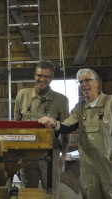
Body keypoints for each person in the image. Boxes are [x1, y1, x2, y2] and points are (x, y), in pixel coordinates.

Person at [38, 68, 112, 199]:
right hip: (88, 169)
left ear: (96, 83)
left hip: (109, 166)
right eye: (80, 82)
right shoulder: (80, 108)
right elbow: (67, 126)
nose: (83, 85)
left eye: (87, 80)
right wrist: (53, 122)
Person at [14, 60, 70, 197]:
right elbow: (16, 125)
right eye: (39, 75)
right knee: (28, 192)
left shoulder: (61, 100)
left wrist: (63, 156)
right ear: (34, 75)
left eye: (47, 76)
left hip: (50, 155)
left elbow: (66, 131)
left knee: (51, 192)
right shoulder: (22, 95)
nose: (42, 79)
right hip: (27, 154)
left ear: (51, 78)